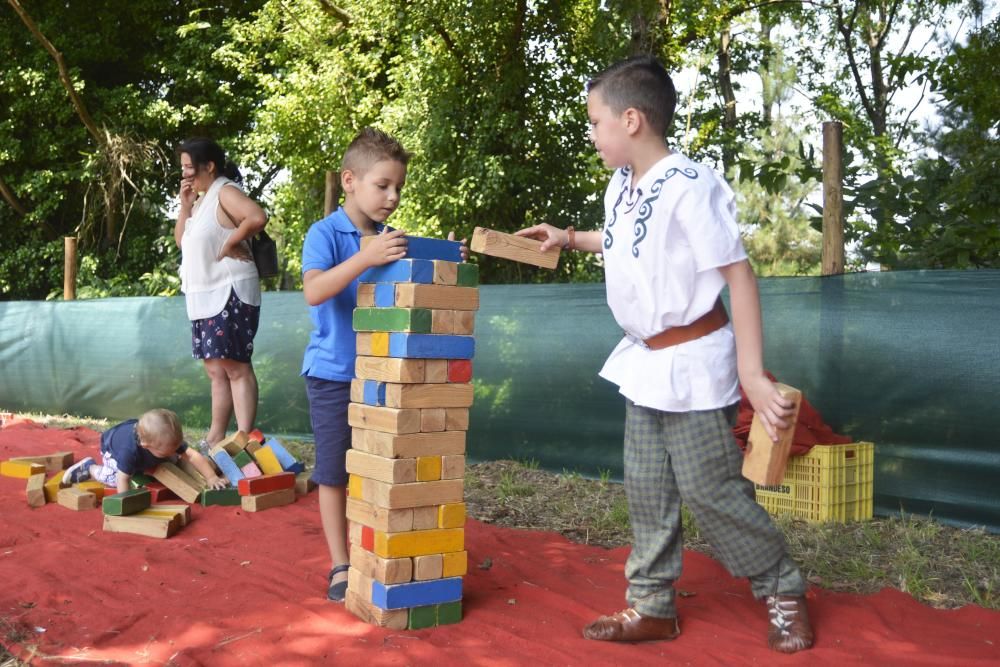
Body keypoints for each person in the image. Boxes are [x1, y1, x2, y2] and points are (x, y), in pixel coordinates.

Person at [516, 56, 814, 654]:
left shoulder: (690, 185)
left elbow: (740, 276)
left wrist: (751, 374)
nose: (592, 135)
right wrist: (570, 238)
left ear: (631, 120)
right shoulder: (621, 186)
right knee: (647, 488)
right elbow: (627, 240)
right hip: (644, 363)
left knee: (711, 491)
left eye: (596, 122)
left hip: (696, 364)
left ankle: (782, 586)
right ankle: (652, 604)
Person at [300, 127, 466, 602]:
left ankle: (387, 553)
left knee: (386, 467)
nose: (392, 197)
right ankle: (340, 563)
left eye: (399, 188)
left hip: (390, 377)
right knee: (334, 471)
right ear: (350, 180)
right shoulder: (325, 233)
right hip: (334, 375)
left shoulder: (396, 240)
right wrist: (365, 256)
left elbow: (421, 287)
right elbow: (314, 290)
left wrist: (447, 257)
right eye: (382, 186)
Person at [175, 138, 268, 451]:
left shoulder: (225, 191)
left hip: (229, 289)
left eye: (189, 167)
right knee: (215, 369)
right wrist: (185, 205)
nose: (185, 173)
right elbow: (182, 243)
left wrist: (230, 244)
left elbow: (256, 216)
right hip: (202, 294)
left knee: (235, 366)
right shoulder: (201, 202)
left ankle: (244, 438)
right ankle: (216, 436)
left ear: (208, 166)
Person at [62, 408, 227, 493]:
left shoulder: (165, 439)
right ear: (146, 446)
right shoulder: (128, 453)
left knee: (175, 460)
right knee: (113, 478)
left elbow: (192, 455)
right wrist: (125, 501)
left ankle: (152, 463)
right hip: (112, 451)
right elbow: (122, 480)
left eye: (174, 449)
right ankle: (90, 469)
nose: (172, 452)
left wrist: (211, 478)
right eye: (166, 452)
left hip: (141, 440)